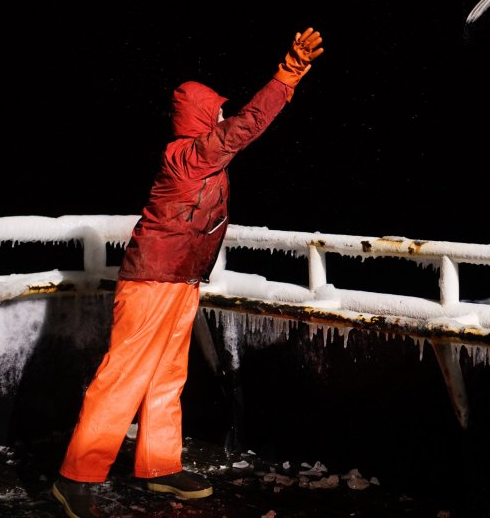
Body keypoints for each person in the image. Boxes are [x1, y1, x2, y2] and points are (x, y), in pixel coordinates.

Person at [52, 28, 325, 518]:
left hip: (180, 280)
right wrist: (286, 76)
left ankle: (159, 468)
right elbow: (246, 126)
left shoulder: (205, 159)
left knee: (165, 377)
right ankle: (75, 477)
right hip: (152, 279)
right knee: (123, 378)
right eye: (217, 110)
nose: (224, 114)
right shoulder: (187, 156)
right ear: (200, 117)